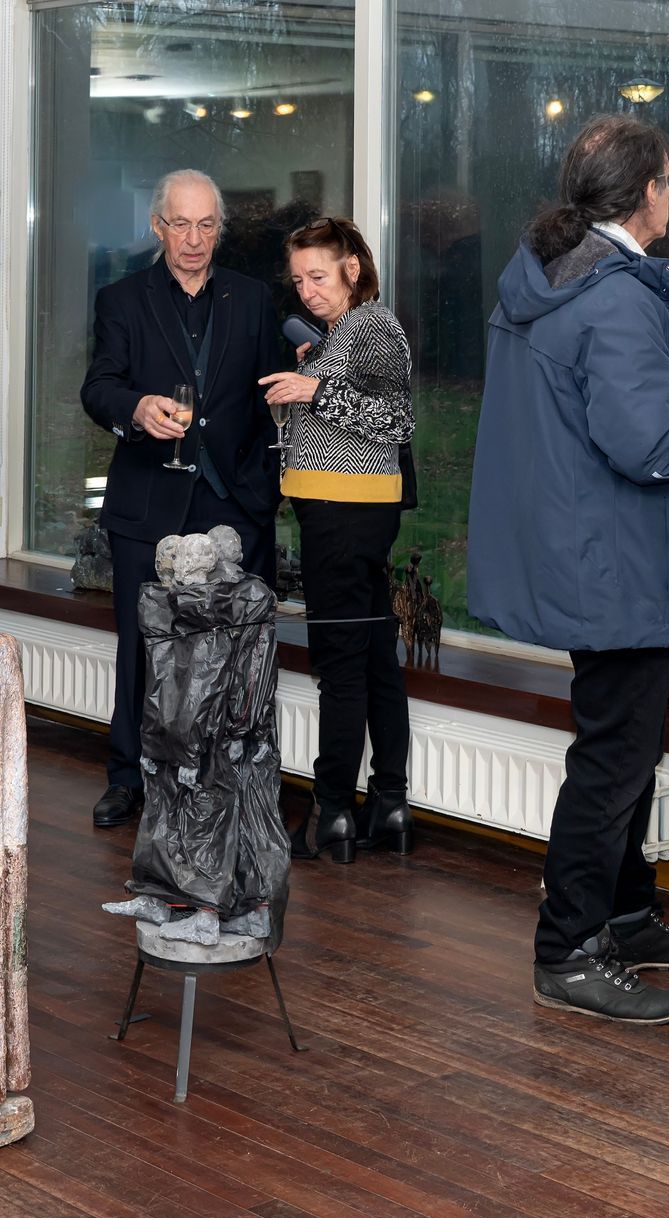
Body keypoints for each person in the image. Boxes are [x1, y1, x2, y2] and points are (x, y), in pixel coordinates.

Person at [468, 115, 669, 1026]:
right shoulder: (612, 299)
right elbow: (649, 445)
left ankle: (623, 912)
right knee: (614, 760)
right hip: (618, 570)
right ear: (647, 191)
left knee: (625, 748)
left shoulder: (551, 280)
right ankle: (568, 949)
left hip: (588, 558)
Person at [80, 169, 283, 828]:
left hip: (233, 505)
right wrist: (136, 408)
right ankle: (126, 776)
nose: (193, 240)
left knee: (233, 652)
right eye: (180, 224)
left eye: (206, 225)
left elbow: (272, 396)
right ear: (157, 226)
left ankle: (226, 780)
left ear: (219, 228)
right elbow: (98, 387)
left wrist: (263, 489)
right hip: (149, 502)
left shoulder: (253, 298)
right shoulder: (121, 299)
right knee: (140, 647)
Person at [259, 217, 415, 863]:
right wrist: (320, 373)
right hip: (345, 513)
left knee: (341, 666)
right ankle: (389, 802)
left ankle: (331, 813)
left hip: (344, 516)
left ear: (353, 268)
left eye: (318, 276)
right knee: (374, 659)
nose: (307, 291)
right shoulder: (346, 331)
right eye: (299, 281)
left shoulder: (373, 325)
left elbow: (396, 419)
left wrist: (315, 389)